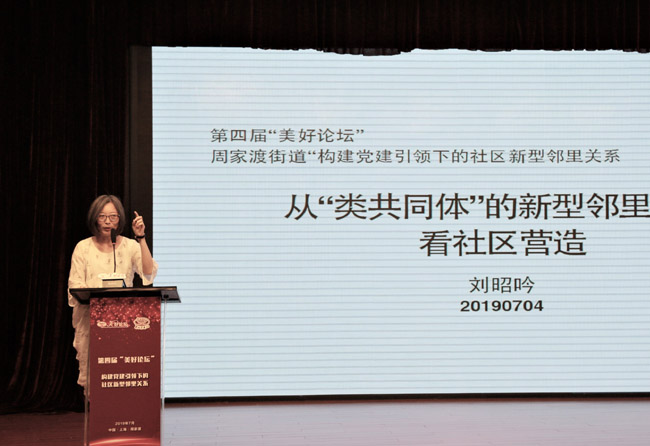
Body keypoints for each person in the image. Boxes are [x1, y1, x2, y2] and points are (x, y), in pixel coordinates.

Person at [67, 195, 158, 390]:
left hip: (124, 324)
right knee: (94, 381)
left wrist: (141, 238)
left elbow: (148, 273)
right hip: (92, 322)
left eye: (113, 217)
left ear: (120, 219)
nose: (108, 222)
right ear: (94, 218)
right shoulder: (83, 248)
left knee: (121, 379)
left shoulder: (130, 246)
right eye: (102, 216)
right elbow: (75, 287)